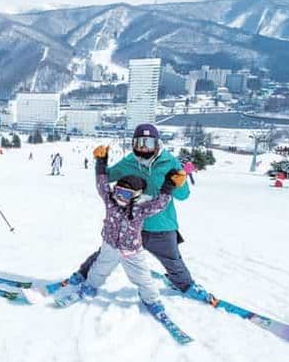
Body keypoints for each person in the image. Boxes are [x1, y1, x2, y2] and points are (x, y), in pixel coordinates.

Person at [70, 124, 208, 298]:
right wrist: (101, 160)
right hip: (130, 224)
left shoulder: (169, 162)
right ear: (133, 143)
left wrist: (179, 181)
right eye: (139, 142)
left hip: (161, 225)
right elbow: (109, 175)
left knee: (173, 260)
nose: (143, 147)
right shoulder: (129, 162)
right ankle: (83, 274)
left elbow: (184, 195)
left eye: (148, 143)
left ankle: (186, 286)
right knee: (106, 252)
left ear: (157, 144)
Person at [56, 145, 186, 314]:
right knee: (99, 269)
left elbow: (160, 204)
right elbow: (102, 184)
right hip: (109, 245)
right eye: (117, 192)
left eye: (125, 195)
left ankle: (151, 300)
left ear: (137, 196)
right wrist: (101, 162)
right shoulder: (111, 203)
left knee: (142, 278)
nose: (119, 197)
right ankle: (90, 286)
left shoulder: (141, 209)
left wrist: (169, 185)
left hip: (131, 251)